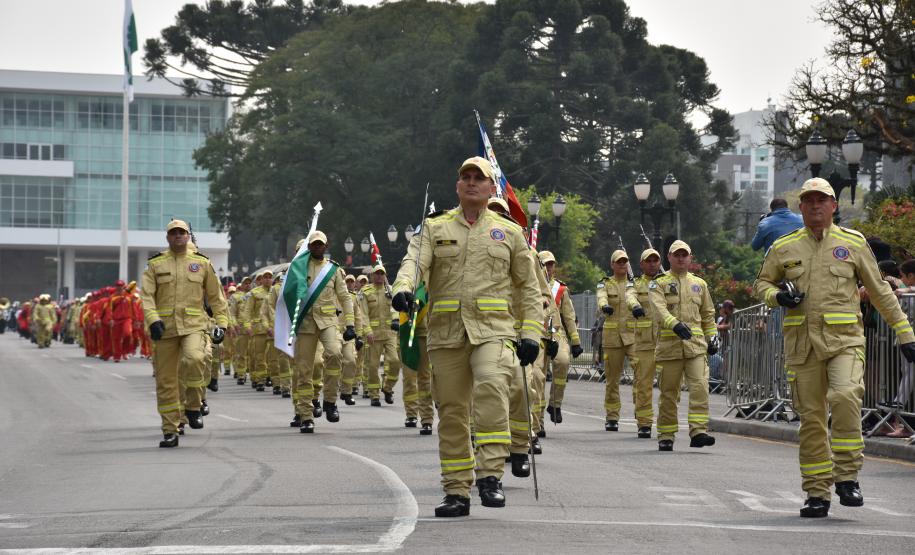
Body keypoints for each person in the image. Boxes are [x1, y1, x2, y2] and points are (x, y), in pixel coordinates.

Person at [391, 156, 543, 518]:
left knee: (492, 386)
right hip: (446, 334)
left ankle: (490, 475)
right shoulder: (434, 228)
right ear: (457, 186)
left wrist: (531, 333)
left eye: (480, 178)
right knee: (453, 412)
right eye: (466, 177)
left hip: (494, 331)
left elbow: (529, 288)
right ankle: (457, 490)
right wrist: (402, 290)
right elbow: (413, 264)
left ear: (492, 189)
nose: (472, 183)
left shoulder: (510, 233)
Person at [754, 177, 915, 518]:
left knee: (844, 396)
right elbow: (762, 283)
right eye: (809, 200)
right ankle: (816, 492)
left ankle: (847, 477)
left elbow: (881, 291)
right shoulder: (784, 247)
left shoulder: (852, 243)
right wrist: (778, 296)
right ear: (801, 207)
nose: (815, 205)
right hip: (802, 345)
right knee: (811, 419)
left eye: (821, 200)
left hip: (845, 341)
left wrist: (905, 334)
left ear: (833, 206)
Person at [140, 219, 228, 448]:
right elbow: (147, 297)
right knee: (167, 382)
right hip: (165, 330)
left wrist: (222, 323)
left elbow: (217, 298)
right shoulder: (155, 264)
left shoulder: (202, 263)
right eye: (173, 233)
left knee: (195, 359)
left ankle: (193, 405)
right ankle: (170, 430)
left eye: (182, 232)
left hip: (194, 326)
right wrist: (153, 319)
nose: (178, 236)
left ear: (188, 236)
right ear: (167, 237)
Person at [649, 240, 718, 452]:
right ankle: (666, 435)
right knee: (669, 393)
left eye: (684, 255)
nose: (680, 258)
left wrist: (713, 337)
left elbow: (708, 314)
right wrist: (674, 324)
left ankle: (698, 432)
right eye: (676, 255)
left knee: (700, 387)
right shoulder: (658, 283)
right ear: (669, 258)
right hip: (669, 349)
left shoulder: (700, 284)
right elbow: (658, 308)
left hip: (696, 347)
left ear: (690, 258)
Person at [288, 231, 355, 432]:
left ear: (326, 246)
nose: (317, 247)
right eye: (314, 244)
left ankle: (330, 402)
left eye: (320, 244)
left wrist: (350, 324)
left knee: (335, 354)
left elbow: (344, 297)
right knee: (305, 369)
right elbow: (287, 296)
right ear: (309, 247)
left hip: (328, 322)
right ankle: (306, 415)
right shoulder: (298, 268)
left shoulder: (332, 269)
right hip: (306, 324)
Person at [539, 251, 583, 425]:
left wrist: (576, 341)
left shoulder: (560, 289)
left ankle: (555, 404)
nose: (549, 268)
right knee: (537, 376)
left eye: (551, 264)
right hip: (536, 331)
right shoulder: (531, 285)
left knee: (563, 362)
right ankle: (538, 422)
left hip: (557, 333)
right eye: (545, 264)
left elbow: (569, 317)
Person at [624, 248, 664, 438]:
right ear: (642, 264)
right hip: (644, 343)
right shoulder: (636, 284)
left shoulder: (667, 282)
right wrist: (635, 306)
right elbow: (629, 296)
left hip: (666, 342)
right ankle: (644, 423)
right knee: (644, 384)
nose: (652, 264)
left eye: (655, 260)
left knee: (669, 385)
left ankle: (665, 422)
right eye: (648, 261)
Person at [596, 250, 637, 432]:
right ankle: (612, 416)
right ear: (612, 264)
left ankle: (641, 413)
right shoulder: (605, 283)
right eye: (619, 262)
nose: (622, 265)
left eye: (625, 262)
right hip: (612, 338)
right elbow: (601, 297)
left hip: (633, 336)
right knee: (612, 380)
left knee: (641, 375)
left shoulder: (634, 284)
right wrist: (604, 306)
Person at [362, 265, 399, 406]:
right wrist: (367, 331)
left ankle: (388, 388)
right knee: (372, 366)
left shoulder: (391, 290)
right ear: (371, 276)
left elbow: (395, 308)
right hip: (374, 335)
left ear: (385, 275)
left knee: (395, 361)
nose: (379, 276)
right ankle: (374, 395)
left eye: (381, 274)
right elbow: (363, 314)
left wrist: (396, 319)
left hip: (390, 333)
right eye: (376, 274)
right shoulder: (365, 292)